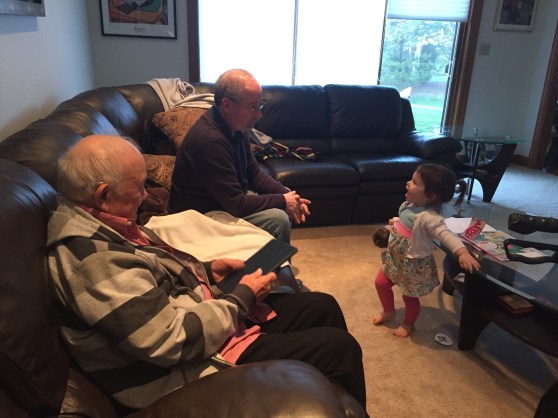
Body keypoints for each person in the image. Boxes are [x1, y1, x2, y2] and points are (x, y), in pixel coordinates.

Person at [47, 134, 367, 411]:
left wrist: (208, 272)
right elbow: (170, 340)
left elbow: (155, 276)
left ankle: (331, 399)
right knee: (340, 349)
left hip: (203, 316)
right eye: (141, 186)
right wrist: (241, 298)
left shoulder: (107, 224)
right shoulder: (94, 261)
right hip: (187, 367)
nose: (146, 196)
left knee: (321, 305)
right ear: (103, 195)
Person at [169, 69, 311, 244]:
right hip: (199, 216)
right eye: (252, 107)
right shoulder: (210, 141)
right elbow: (236, 204)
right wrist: (282, 201)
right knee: (278, 219)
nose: (259, 114)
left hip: (222, 202)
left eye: (260, 106)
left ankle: (268, 257)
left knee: (282, 206)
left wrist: (288, 195)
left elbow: (254, 173)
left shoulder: (236, 127)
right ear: (227, 105)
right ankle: (272, 261)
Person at [372, 163, 480, 338]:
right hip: (395, 258)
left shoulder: (431, 218)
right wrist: (397, 222)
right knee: (380, 283)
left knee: (409, 297)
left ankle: (408, 324)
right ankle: (389, 311)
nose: (408, 183)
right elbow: (409, 221)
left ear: (430, 195)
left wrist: (462, 253)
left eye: (414, 182)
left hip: (412, 265)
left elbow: (446, 235)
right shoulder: (410, 204)